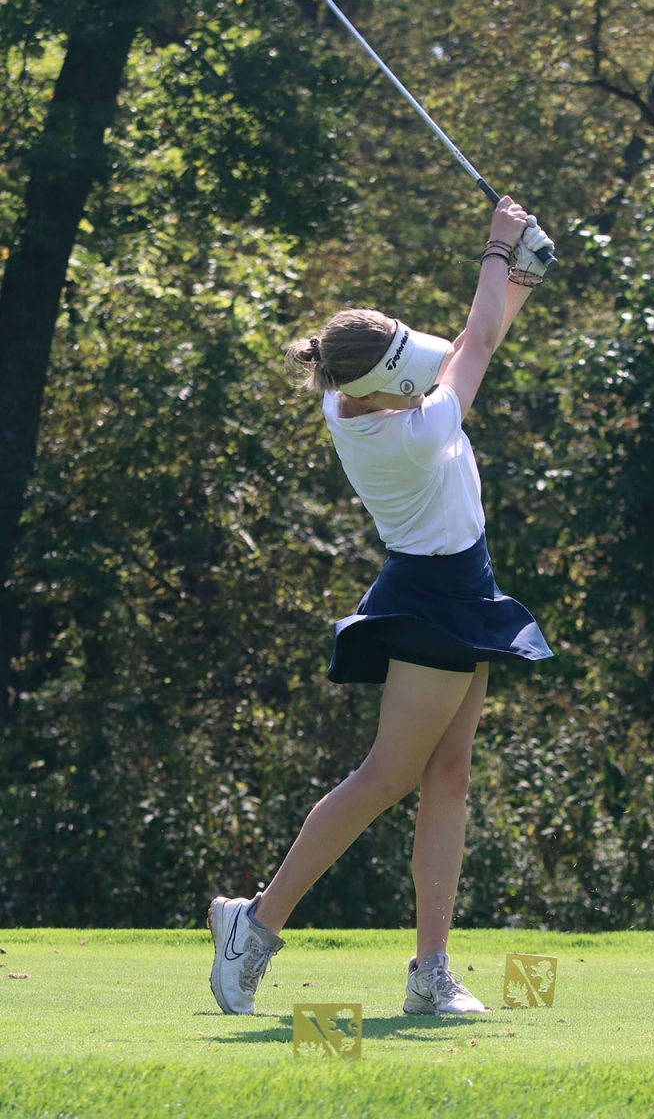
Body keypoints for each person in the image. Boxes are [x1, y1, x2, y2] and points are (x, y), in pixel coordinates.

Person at [208, 196, 554, 1018]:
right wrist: (500, 247)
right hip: (433, 594)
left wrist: (522, 269)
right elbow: (474, 345)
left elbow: (476, 339)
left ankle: (430, 974)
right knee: (390, 774)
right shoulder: (414, 433)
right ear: (383, 388)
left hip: (465, 583)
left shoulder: (352, 398)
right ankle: (254, 926)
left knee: (448, 775)